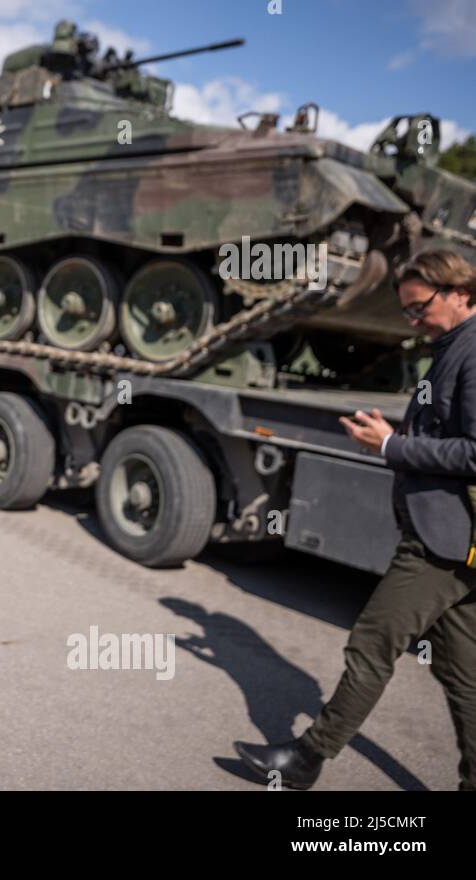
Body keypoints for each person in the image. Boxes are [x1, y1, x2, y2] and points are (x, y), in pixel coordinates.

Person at [234, 249, 476, 790]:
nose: (413, 321)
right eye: (407, 312)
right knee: (463, 676)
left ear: (460, 292)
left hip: (443, 541)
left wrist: (392, 446)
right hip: (458, 541)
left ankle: (304, 760)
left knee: (371, 644)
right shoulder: (453, 345)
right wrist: (395, 436)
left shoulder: (473, 349)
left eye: (420, 308)